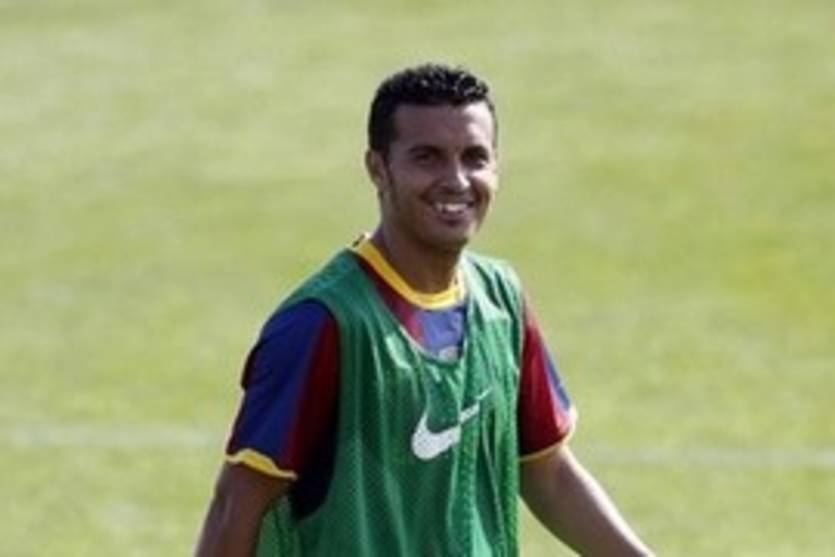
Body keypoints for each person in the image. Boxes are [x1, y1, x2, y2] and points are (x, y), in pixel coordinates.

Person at [195, 62, 653, 556]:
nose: (456, 180)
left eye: (474, 157)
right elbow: (236, 506)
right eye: (427, 158)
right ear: (378, 168)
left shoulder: (501, 299)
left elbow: (549, 474)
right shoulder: (322, 325)